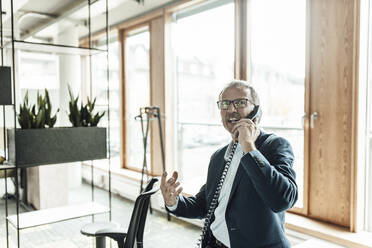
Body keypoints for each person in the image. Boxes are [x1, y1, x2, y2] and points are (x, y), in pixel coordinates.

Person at [161, 80, 298, 248]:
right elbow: (204, 204)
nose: (231, 109)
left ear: (256, 111)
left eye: (240, 102)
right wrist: (173, 201)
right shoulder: (219, 157)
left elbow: (282, 200)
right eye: (225, 104)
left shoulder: (275, 145)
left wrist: (249, 146)